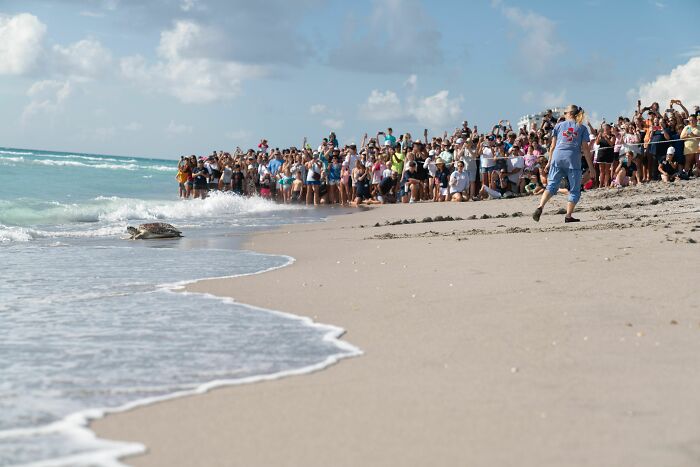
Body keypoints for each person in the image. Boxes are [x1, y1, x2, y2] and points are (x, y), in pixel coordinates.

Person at [533, 104, 594, 223]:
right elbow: (586, 149)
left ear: (570, 113)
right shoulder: (581, 127)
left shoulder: (559, 126)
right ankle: (568, 216)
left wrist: (549, 162)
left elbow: (552, 146)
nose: (564, 114)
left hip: (557, 157)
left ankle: (540, 206)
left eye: (565, 113)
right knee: (575, 189)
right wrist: (591, 167)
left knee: (551, 186)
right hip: (572, 160)